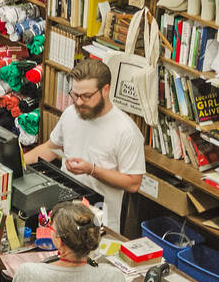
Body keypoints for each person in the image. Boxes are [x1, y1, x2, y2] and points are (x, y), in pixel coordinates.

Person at [23, 58, 144, 232]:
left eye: (86, 96)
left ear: (105, 90)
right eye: (75, 94)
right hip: (63, 213)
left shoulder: (126, 131)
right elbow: (52, 147)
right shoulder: (71, 113)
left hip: (99, 224)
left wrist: (92, 169)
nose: (79, 102)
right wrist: (17, 162)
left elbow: (133, 183)